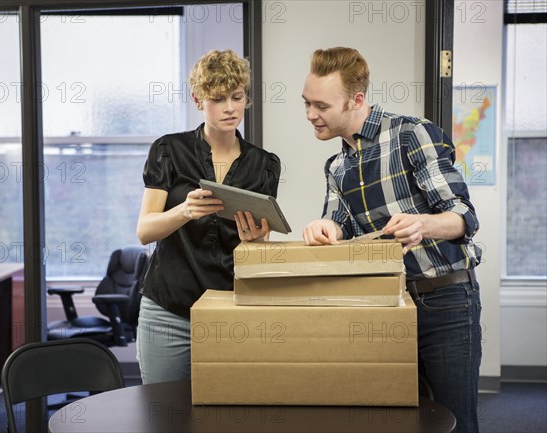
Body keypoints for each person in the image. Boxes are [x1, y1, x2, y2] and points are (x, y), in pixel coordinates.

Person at [301, 47, 482, 433]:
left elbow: (463, 215)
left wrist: (423, 225)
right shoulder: (336, 165)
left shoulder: (411, 134)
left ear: (357, 100)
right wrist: (325, 229)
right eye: (306, 103)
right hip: (383, 305)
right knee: (397, 423)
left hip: (445, 303)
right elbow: (339, 223)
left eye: (321, 105)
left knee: (456, 422)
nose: (310, 114)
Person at [135, 49, 281, 385]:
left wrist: (255, 242)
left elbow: (259, 251)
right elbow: (144, 231)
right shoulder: (168, 150)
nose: (230, 108)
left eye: (237, 97)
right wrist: (184, 211)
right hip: (167, 311)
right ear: (198, 99)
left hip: (231, 308)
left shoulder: (265, 164)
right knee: (163, 413)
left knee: (225, 414)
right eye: (218, 99)